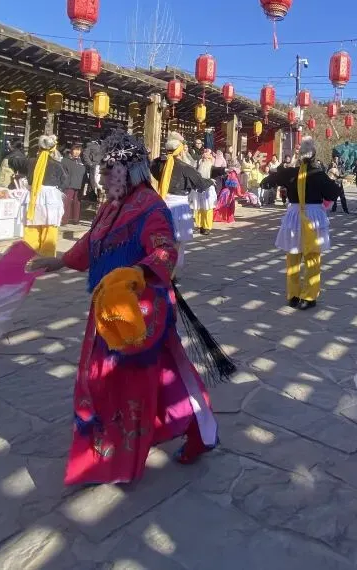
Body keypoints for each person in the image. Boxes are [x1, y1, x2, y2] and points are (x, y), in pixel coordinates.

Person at [27, 131, 221, 485]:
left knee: (134, 383)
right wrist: (60, 261)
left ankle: (132, 453)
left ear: (129, 170)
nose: (103, 178)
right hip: (109, 307)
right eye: (103, 171)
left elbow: (165, 251)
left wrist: (136, 273)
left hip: (140, 310)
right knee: (127, 379)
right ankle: (118, 448)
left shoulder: (151, 207)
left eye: (109, 170)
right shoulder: (111, 205)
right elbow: (92, 240)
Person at [260, 137, 336, 310]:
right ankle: (309, 296)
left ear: (299, 155)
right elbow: (332, 194)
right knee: (312, 257)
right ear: (314, 155)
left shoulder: (289, 173)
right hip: (313, 217)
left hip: (294, 215)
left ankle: (293, 295)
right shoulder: (319, 175)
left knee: (293, 257)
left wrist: (274, 179)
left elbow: (268, 181)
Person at [150, 132, 210, 271]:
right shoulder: (185, 168)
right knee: (178, 241)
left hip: (162, 203)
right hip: (179, 205)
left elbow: (154, 167)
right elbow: (200, 184)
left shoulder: (158, 164)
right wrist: (211, 182)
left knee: (161, 239)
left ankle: (159, 266)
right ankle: (172, 271)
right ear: (181, 151)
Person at [22, 135, 66, 257]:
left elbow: (16, 163)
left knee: (31, 227)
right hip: (51, 198)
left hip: (33, 196)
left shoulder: (30, 162)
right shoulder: (57, 165)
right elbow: (64, 181)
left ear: (39, 148)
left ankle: (27, 257)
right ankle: (46, 259)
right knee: (49, 229)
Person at [61, 143, 88, 224]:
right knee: (67, 202)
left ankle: (75, 219)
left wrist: (85, 186)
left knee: (77, 202)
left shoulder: (82, 162)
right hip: (68, 185)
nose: (77, 152)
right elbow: (62, 172)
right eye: (75, 150)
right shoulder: (65, 160)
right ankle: (64, 220)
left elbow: (85, 174)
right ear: (72, 150)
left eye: (79, 150)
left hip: (79, 185)